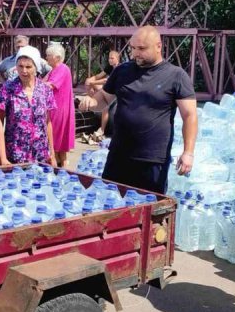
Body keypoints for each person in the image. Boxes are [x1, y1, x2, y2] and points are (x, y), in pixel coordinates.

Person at [78, 26, 197, 194]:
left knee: (148, 211)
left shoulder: (176, 76)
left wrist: (188, 152)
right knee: (110, 204)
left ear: (158, 46)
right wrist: (91, 101)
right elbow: (104, 98)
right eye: (133, 48)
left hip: (152, 160)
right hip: (118, 155)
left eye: (141, 48)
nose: (135, 53)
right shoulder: (122, 71)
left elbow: (190, 115)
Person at [0, 45, 57, 165]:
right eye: (20, 66)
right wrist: (1, 154)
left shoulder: (45, 90)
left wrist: (52, 153)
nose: (24, 71)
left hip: (40, 153)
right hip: (15, 153)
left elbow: (47, 122)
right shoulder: (8, 89)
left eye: (28, 67)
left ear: (36, 68)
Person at [43, 42, 74, 168]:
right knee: (58, 136)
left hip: (59, 108)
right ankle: (60, 162)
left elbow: (49, 85)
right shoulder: (54, 70)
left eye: (48, 55)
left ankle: (58, 163)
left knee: (56, 134)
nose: (46, 58)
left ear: (56, 57)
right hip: (57, 107)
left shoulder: (62, 68)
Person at [84, 50, 120, 141]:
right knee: (89, 82)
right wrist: (89, 80)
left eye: (112, 58)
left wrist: (92, 82)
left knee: (105, 108)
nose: (110, 60)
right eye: (109, 58)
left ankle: (102, 129)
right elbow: (98, 76)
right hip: (107, 90)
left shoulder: (119, 68)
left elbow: (106, 81)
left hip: (115, 92)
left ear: (117, 59)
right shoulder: (109, 67)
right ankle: (94, 101)